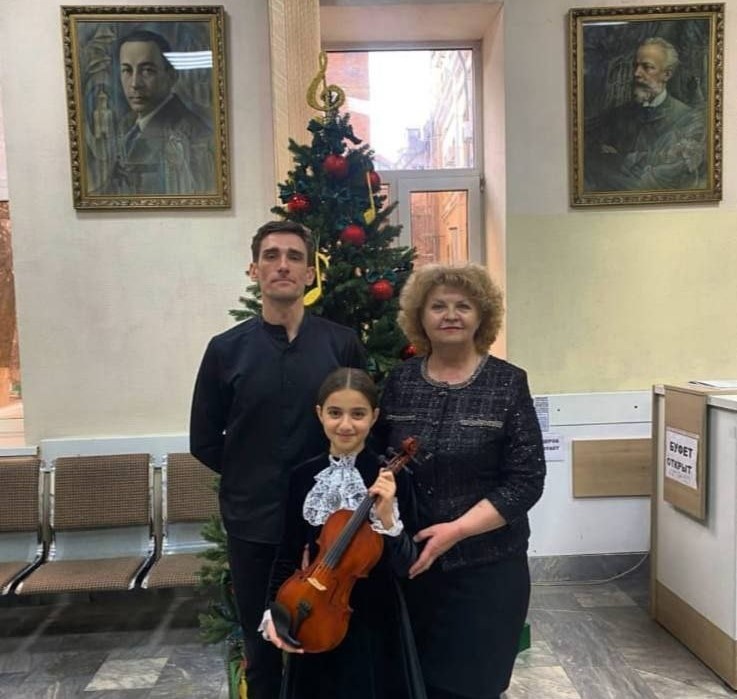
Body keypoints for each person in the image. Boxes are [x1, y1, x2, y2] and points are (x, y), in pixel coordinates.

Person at [190, 221, 366, 699]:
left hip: (326, 526)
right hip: (254, 524)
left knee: (329, 642)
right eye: (271, 256)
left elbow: (361, 424)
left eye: (294, 256)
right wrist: (251, 477)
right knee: (262, 643)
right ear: (254, 270)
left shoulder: (341, 344)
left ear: (309, 274)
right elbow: (204, 440)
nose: (282, 265)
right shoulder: (225, 350)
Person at [375, 263, 546, 699]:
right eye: (438, 306)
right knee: (414, 684)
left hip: (487, 570)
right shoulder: (399, 382)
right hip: (413, 567)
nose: (450, 315)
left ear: (481, 316)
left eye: (463, 306)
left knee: (475, 685)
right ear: (420, 317)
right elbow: (378, 461)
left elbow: (526, 480)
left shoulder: (508, 382)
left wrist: (456, 531)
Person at [263, 367, 426, 699]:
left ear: (374, 416)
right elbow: (288, 553)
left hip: (378, 621)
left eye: (358, 414)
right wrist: (274, 612)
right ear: (320, 414)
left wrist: (387, 518)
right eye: (335, 413)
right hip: (312, 614)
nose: (346, 424)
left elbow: (408, 565)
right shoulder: (302, 476)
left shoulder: (390, 476)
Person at [584, 37, 706, 192]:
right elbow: (591, 164)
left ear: (667, 74)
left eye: (647, 67)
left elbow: (667, 180)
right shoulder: (616, 115)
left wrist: (616, 160)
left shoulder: (687, 119)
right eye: (635, 66)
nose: (636, 73)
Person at [105, 29, 215, 195]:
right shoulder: (127, 126)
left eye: (147, 70)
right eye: (127, 70)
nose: (135, 84)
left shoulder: (194, 135)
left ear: (171, 77)